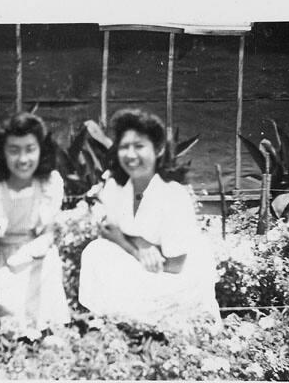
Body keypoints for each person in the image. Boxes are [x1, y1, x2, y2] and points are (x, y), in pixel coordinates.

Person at [78, 108, 220, 328]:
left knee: (110, 262)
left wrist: (132, 245)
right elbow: (108, 231)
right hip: (142, 269)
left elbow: (175, 265)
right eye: (124, 147)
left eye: (139, 146)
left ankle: (145, 330)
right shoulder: (117, 187)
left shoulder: (173, 195)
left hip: (175, 283)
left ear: (159, 149)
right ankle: (118, 328)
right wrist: (139, 243)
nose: (131, 155)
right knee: (95, 252)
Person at [0, 112, 70, 331]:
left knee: (50, 263)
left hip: (35, 258)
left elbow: (48, 232)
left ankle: (49, 331)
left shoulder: (49, 183)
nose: (23, 159)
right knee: (12, 318)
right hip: (1, 261)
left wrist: (42, 245)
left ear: (40, 150)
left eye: (30, 149)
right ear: (2, 153)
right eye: (14, 150)